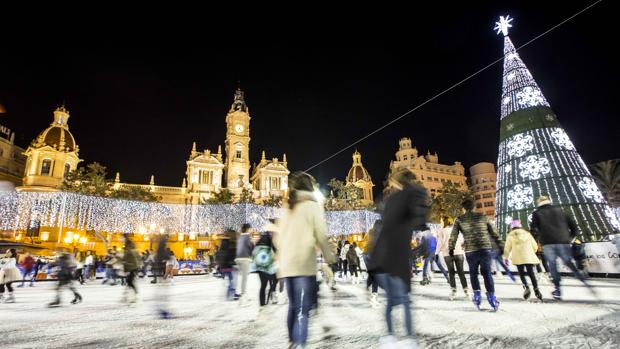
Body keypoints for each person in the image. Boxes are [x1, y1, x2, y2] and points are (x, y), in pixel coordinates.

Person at [368, 170, 429, 348]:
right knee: (404, 299)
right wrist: (425, 232)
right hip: (395, 256)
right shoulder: (413, 193)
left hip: (380, 259)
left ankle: (389, 336)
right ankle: (409, 338)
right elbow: (418, 214)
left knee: (391, 300)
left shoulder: (390, 200)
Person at [275, 171, 336, 348]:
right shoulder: (312, 205)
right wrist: (329, 256)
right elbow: (321, 235)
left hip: (287, 264)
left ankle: (292, 341)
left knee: (293, 306)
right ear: (310, 187)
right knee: (303, 309)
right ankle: (300, 343)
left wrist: (281, 260)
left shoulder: (288, 207)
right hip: (303, 263)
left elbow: (279, 238)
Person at [529, 195, 593, 300]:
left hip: (548, 243)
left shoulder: (536, 213)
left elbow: (533, 229)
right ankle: (583, 279)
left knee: (552, 265)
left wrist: (538, 238)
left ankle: (558, 289)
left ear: (538, 203)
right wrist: (570, 238)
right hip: (563, 241)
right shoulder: (560, 210)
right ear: (549, 201)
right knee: (568, 262)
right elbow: (573, 226)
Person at [450, 198, 503, 312]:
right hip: (485, 249)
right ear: (474, 207)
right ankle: (491, 298)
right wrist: (501, 245)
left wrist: (451, 248)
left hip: (471, 251)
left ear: (463, 209)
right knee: (486, 273)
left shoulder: (459, 219)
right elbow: (494, 233)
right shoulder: (483, 217)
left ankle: (477, 296)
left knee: (473, 273)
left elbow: (453, 236)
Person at [503, 220, 542, 301]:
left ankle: (526, 287)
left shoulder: (510, 235)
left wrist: (506, 257)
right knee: (531, 273)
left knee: (521, 273)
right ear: (520, 226)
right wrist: (532, 252)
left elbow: (507, 247)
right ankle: (536, 288)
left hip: (518, 257)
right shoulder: (527, 234)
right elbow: (535, 246)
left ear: (512, 227)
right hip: (528, 256)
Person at [437, 217, 468, 300]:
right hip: (459, 253)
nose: (441, 223)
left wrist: (436, 252)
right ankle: (466, 291)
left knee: (451, 273)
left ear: (445, 222)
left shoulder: (442, 231)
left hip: (448, 254)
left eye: (441, 221)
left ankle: (453, 291)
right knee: (461, 272)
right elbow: (462, 241)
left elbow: (440, 243)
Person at [252, 231, 277, 306]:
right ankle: (272, 293)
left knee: (263, 285)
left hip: (259, 266)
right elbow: (275, 250)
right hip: (267, 266)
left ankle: (262, 304)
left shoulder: (258, 242)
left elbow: (253, 254)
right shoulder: (270, 239)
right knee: (273, 280)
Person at [216, 229, 238, 300]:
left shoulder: (220, 249)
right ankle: (231, 294)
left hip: (223, 267)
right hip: (229, 267)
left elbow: (217, 258)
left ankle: (228, 294)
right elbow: (232, 257)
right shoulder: (230, 247)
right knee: (232, 281)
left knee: (228, 281)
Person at [235, 223, 255, 303]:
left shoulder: (240, 237)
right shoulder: (247, 237)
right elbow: (251, 247)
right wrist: (253, 243)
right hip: (244, 259)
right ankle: (243, 296)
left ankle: (241, 293)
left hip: (238, 258)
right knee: (244, 279)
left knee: (241, 278)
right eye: (251, 228)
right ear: (248, 229)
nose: (252, 230)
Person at [365, 219, 382, 307]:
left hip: (367, 255)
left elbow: (366, 241)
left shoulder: (370, 232)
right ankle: (374, 297)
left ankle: (369, 287)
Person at [122, 238, 142, 304]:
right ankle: (126, 295)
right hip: (132, 268)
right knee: (129, 282)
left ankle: (135, 295)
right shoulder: (129, 251)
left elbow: (135, 261)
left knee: (129, 282)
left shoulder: (131, 251)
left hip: (133, 268)